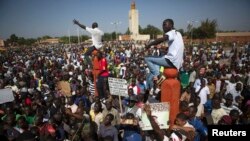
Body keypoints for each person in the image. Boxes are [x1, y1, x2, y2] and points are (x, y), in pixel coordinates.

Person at [144, 19, 184, 87]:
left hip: (170, 61)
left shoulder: (171, 32)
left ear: (171, 25)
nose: (163, 26)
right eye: (163, 25)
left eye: (165, 24)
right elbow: (172, 49)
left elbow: (162, 39)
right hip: (177, 63)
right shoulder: (178, 34)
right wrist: (161, 47)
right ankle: (161, 78)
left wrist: (149, 44)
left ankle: (157, 74)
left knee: (147, 58)